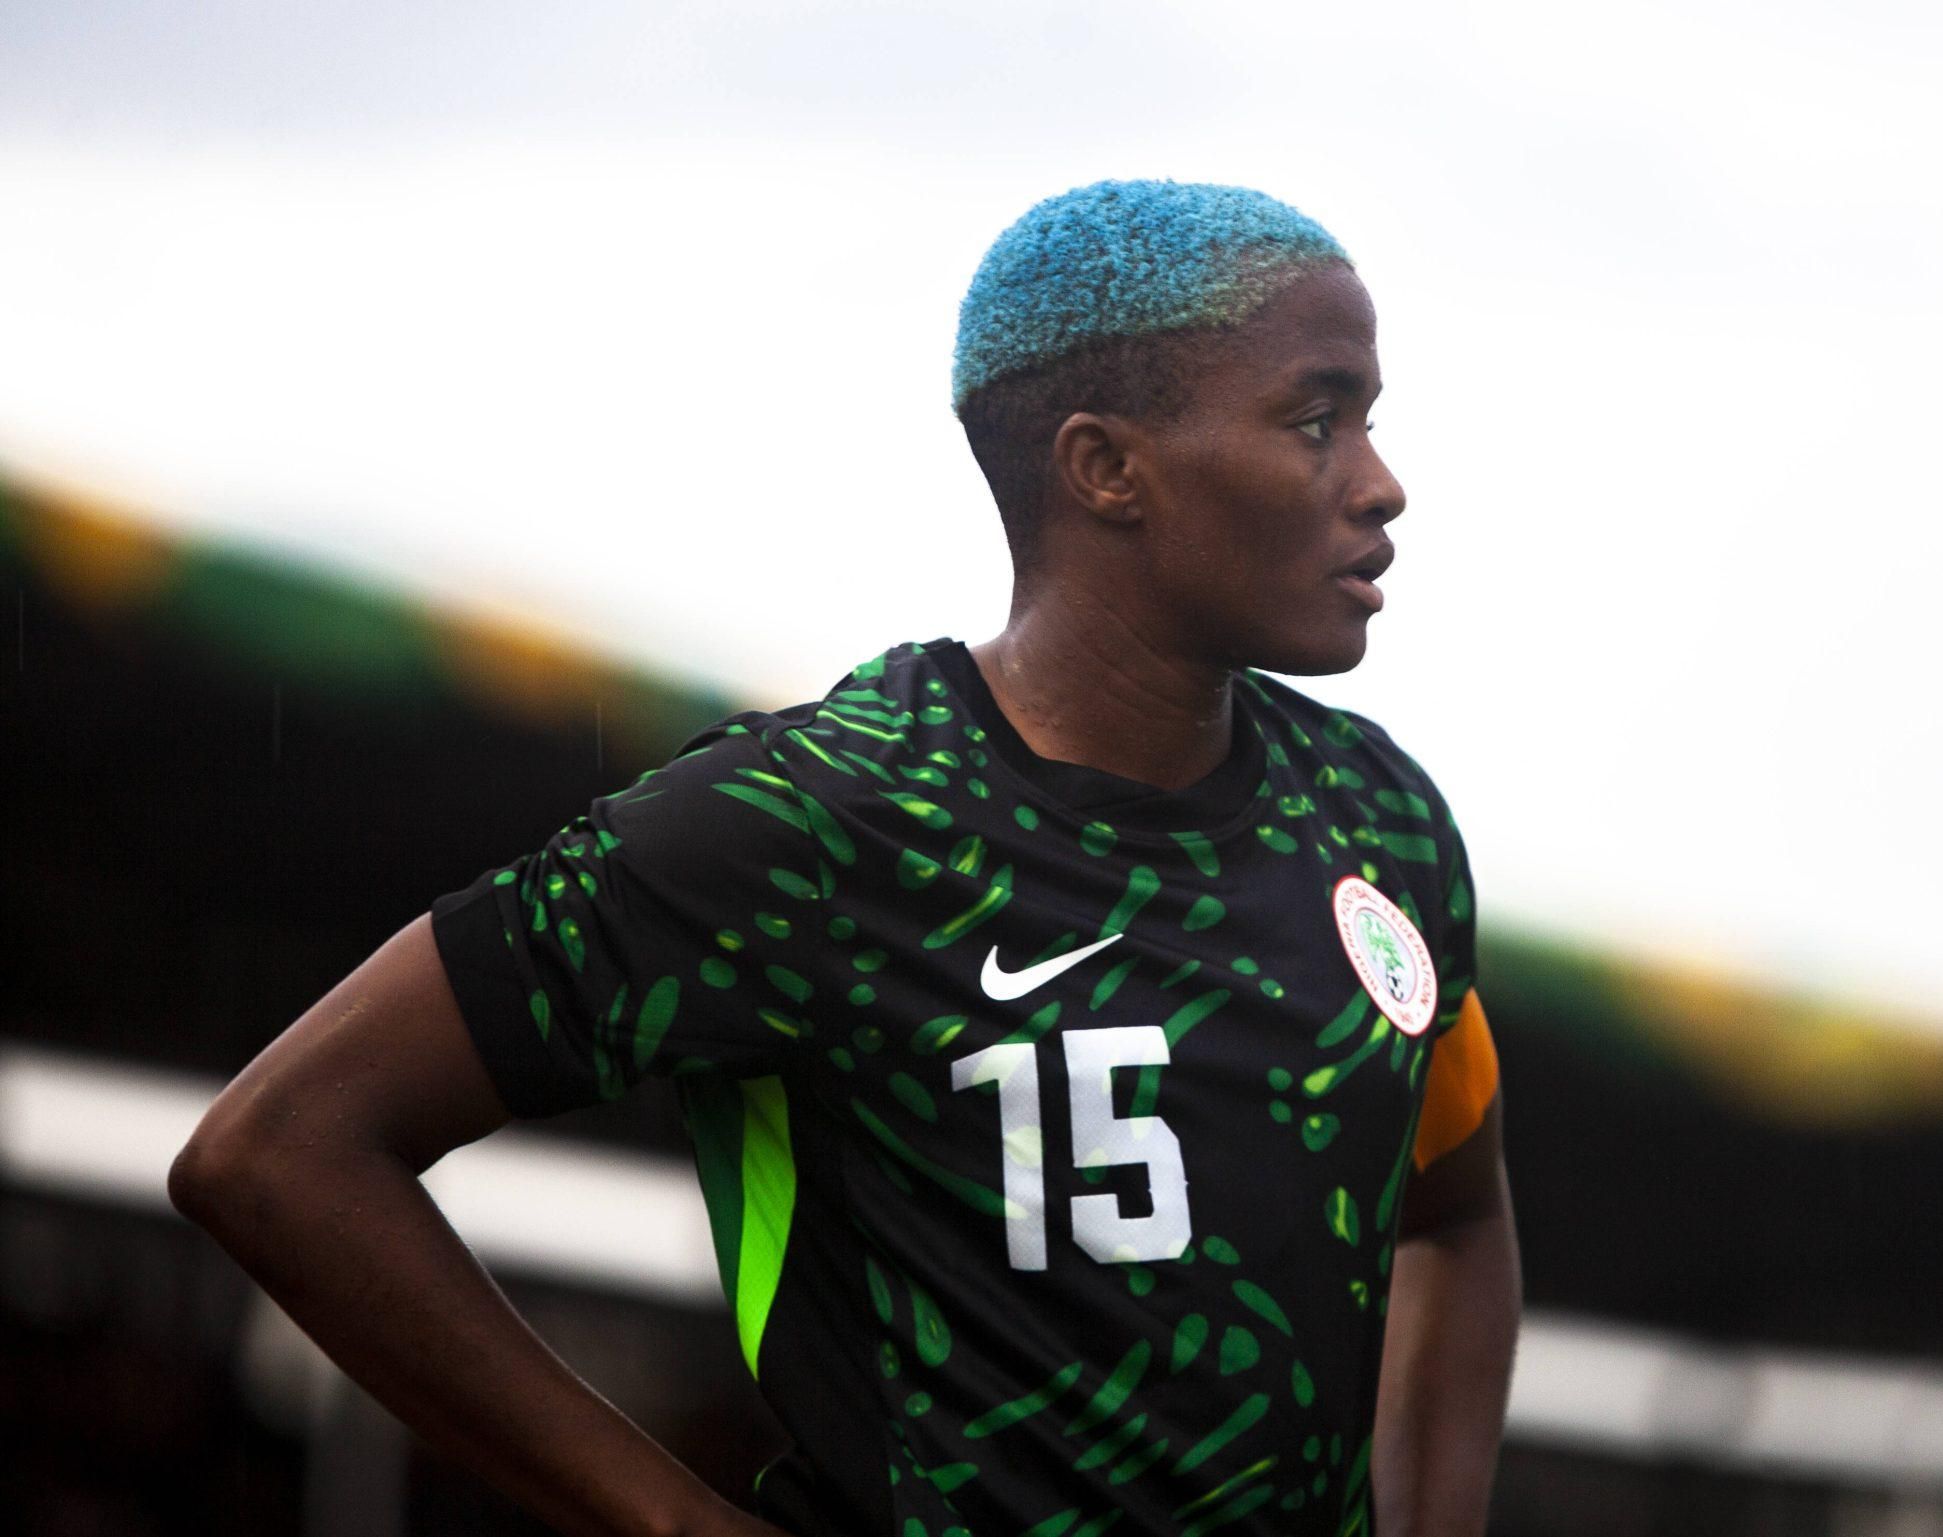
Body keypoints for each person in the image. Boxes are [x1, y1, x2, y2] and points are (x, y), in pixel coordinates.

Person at [170, 178, 1519, 1537]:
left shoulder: (1381, 825)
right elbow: (279, 1147)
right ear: (1107, 468)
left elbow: (1455, 1214)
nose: (1381, 481)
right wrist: (673, 1520)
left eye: (1370, 419)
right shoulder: (819, 822)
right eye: (1316, 418)